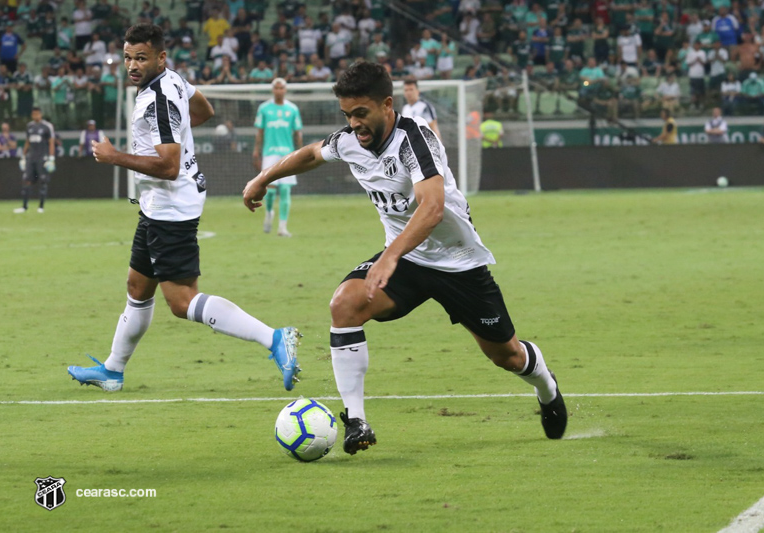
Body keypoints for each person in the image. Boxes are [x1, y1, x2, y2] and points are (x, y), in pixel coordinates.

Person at [242, 61, 568, 456]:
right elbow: (311, 154)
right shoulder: (350, 141)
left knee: (508, 356)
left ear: (387, 105)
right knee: (344, 304)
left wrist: (389, 257)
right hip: (408, 261)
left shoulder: (416, 140)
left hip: (458, 263)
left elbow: (431, 208)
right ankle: (356, 420)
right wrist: (263, 178)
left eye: (361, 114)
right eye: (347, 115)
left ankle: (546, 387)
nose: (354, 124)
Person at [66, 23, 301, 393]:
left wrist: (115, 156)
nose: (132, 65)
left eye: (140, 58)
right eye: (127, 58)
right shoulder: (172, 80)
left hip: (171, 207)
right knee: (137, 286)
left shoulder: (157, 100)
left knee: (181, 301)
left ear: (160, 57)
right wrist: (177, 133)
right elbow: (204, 110)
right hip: (161, 204)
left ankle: (274, 337)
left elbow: (169, 165)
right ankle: (113, 369)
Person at [251, 77, 303, 237]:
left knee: (286, 189)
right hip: (270, 153)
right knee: (270, 189)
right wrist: (256, 150)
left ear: (285, 90)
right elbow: (260, 131)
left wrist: (300, 153)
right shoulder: (264, 108)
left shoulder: (292, 109)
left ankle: (282, 227)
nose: (279, 91)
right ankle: (268, 213)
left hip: (288, 153)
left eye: (281, 88)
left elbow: (297, 132)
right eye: (276, 88)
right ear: (272, 90)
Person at [14, 107, 55, 214]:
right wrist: (23, 156)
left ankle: (41, 207)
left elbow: (51, 142)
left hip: (42, 158)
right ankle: (24, 206)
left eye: (37, 113)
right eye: (34, 114)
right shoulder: (29, 126)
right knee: (26, 181)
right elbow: (27, 142)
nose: (36, 115)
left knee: (42, 181)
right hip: (31, 158)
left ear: (41, 114)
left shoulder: (47, 126)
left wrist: (51, 157)